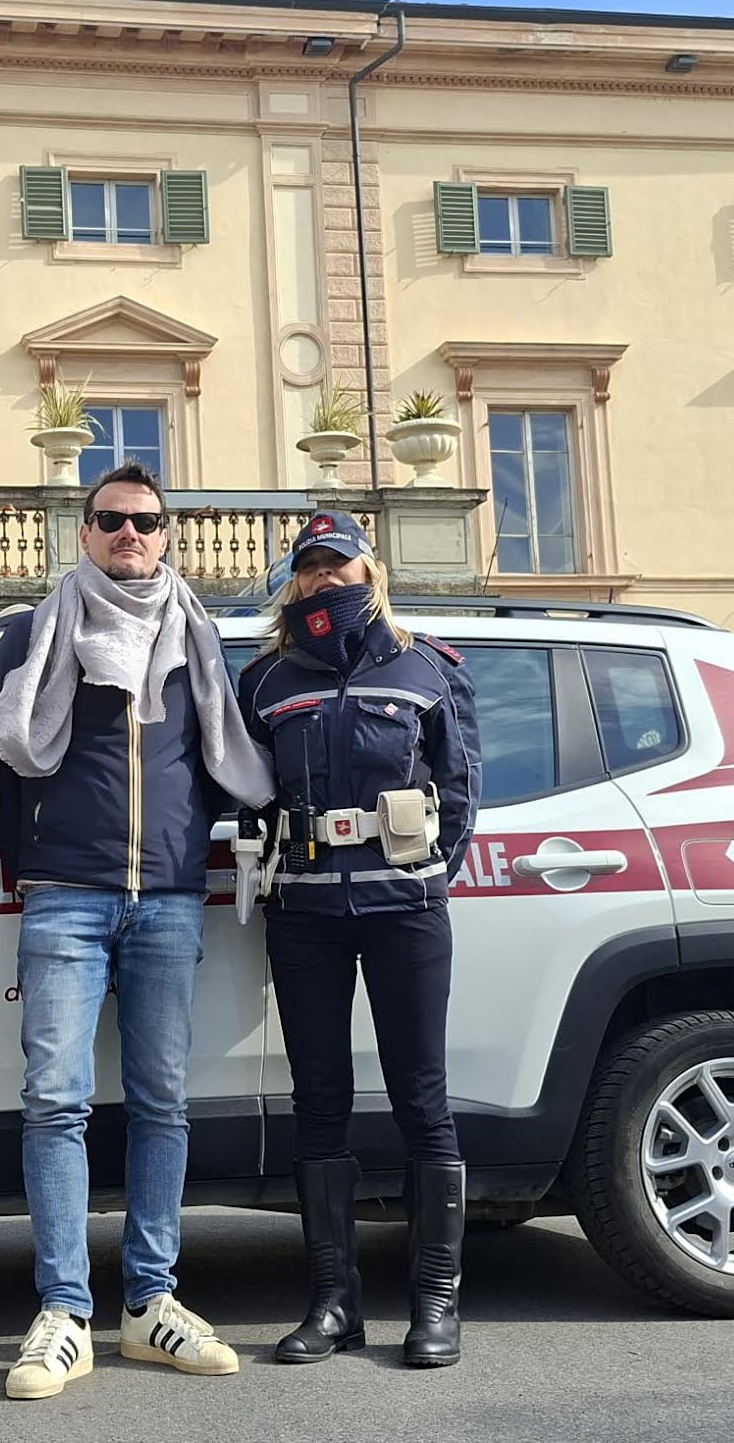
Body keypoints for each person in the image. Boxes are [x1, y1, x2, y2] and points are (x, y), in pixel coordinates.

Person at [0, 463, 276, 1400]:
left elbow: (219, 758)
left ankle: (149, 1303)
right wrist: (34, 860)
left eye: (144, 520)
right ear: (83, 533)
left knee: (161, 1104)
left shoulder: (197, 635)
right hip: (65, 896)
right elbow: (2, 769)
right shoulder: (34, 631)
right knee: (53, 1104)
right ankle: (64, 1312)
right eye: (109, 520)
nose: (127, 534)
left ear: (166, 533)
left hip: (170, 898)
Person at [236, 511, 481, 1369]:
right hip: (303, 911)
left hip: (403, 910)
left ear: (369, 572)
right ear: (293, 580)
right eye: (309, 568)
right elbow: (247, 794)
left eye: (337, 565)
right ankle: (333, 1303)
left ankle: (435, 1302)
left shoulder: (427, 668)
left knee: (421, 1097)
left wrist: (423, 876)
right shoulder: (265, 680)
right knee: (318, 1101)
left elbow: (460, 792)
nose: (323, 580)